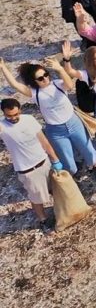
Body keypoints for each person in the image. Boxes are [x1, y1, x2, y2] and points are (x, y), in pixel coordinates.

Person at [0, 59, 96, 178]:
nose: (45, 79)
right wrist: (3, 68)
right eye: (40, 78)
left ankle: (95, 166)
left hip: (73, 122)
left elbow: (69, 85)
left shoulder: (57, 84)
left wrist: (59, 68)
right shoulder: (35, 93)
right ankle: (74, 173)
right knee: (66, 157)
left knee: (87, 147)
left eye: (46, 74)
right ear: (34, 81)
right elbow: (15, 85)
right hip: (56, 130)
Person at [0, 98, 64, 232]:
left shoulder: (29, 119)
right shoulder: (2, 126)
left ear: (20, 110)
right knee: (36, 197)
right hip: (27, 171)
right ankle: (43, 219)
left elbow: (44, 141)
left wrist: (55, 159)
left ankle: (62, 211)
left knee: (57, 189)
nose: (13, 118)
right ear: (3, 114)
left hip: (44, 162)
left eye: (16, 114)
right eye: (9, 116)